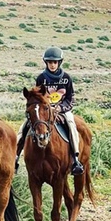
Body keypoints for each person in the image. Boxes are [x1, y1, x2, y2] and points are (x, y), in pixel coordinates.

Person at [16, 47, 84, 176]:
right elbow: (38, 97)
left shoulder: (66, 78)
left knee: (71, 123)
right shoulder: (41, 78)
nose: (52, 65)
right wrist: (46, 108)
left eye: (55, 62)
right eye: (50, 62)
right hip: (44, 110)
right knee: (24, 126)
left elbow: (70, 98)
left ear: (59, 62)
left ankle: (75, 159)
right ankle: (15, 157)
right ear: (46, 63)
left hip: (62, 109)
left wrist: (59, 108)